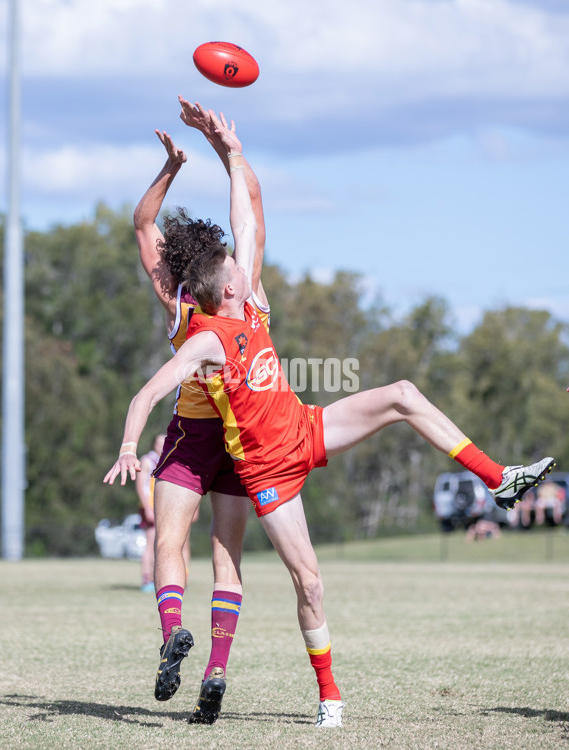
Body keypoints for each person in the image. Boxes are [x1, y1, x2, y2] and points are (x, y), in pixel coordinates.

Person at [105, 111, 555, 729]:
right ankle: (327, 695)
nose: (244, 260)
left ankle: (497, 479)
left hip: (305, 429)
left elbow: (247, 215)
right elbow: (150, 387)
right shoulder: (201, 334)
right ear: (227, 289)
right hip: (263, 467)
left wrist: (228, 149)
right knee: (308, 581)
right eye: (236, 265)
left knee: (402, 393)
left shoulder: (251, 303)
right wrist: (132, 443)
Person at [130, 96, 268, 724]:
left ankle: (170, 634)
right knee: (226, 558)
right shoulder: (247, 301)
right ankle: (215, 666)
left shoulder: (182, 305)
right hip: (241, 438)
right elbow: (252, 213)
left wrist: (172, 167)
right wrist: (226, 149)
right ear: (229, 275)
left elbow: (142, 225)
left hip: (189, 437)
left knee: (170, 543)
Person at [135, 434, 165, 592]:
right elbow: (140, 486)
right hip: (151, 506)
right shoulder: (147, 460)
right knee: (151, 543)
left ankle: (157, 578)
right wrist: (147, 508)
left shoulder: (166, 459)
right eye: (159, 442)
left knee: (160, 544)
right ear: (154, 444)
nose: (162, 445)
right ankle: (147, 579)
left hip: (162, 506)